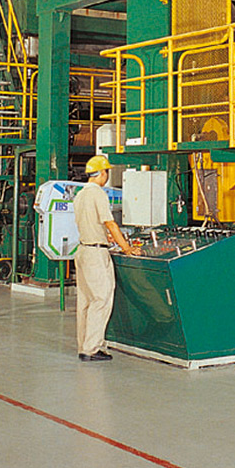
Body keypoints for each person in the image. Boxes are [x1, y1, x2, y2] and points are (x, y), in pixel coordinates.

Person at [73, 154, 140, 361]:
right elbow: (110, 223)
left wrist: (106, 236)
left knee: (85, 301)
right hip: (96, 254)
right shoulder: (98, 194)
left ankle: (85, 345)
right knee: (101, 299)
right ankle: (91, 349)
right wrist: (127, 248)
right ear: (102, 173)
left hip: (83, 250)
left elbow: (93, 223)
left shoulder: (80, 194)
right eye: (107, 172)